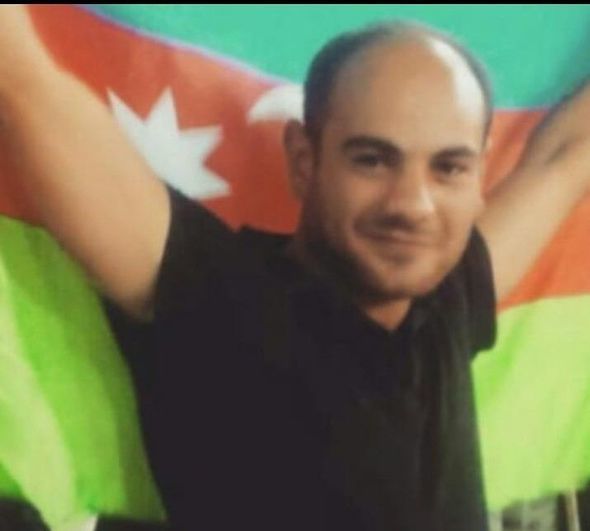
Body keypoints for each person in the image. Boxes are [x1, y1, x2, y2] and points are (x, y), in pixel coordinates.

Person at [1, 5, 590, 530]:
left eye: (449, 168)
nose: (413, 204)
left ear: (479, 176)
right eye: (372, 159)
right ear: (304, 160)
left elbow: (566, 156)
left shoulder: (449, 298)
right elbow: (21, 81)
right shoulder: (219, 297)